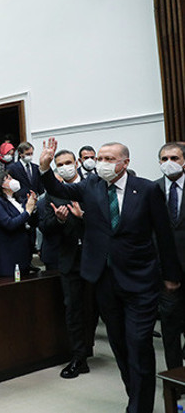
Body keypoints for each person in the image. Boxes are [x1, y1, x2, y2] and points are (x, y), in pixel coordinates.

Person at [39, 138, 181, 413]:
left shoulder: (147, 189)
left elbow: (164, 235)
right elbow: (58, 188)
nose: (101, 163)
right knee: (119, 344)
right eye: (99, 158)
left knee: (138, 343)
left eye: (108, 159)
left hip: (140, 280)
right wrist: (44, 167)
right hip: (104, 279)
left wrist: (170, 275)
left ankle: (139, 408)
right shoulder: (91, 185)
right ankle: (135, 397)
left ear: (125, 163)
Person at [40, 148, 97, 380]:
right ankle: (79, 357)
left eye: (68, 162)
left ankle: (94, 347)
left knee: (99, 308)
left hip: (96, 258)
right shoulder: (53, 194)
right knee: (73, 309)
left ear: (77, 162)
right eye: (60, 164)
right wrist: (59, 220)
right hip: (69, 259)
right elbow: (45, 227)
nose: (65, 167)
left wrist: (84, 216)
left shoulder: (94, 186)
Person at [156, 142, 185, 372]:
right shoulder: (152, 190)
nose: (169, 163)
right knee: (170, 329)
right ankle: (175, 379)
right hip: (165, 274)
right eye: (164, 159)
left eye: (174, 158)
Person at [0, 170, 38, 277]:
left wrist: (33, 208)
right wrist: (28, 211)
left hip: (22, 250)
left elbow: (30, 222)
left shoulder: (17, 200)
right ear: (0, 184)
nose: (13, 180)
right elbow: (9, 224)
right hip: (7, 253)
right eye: (9, 179)